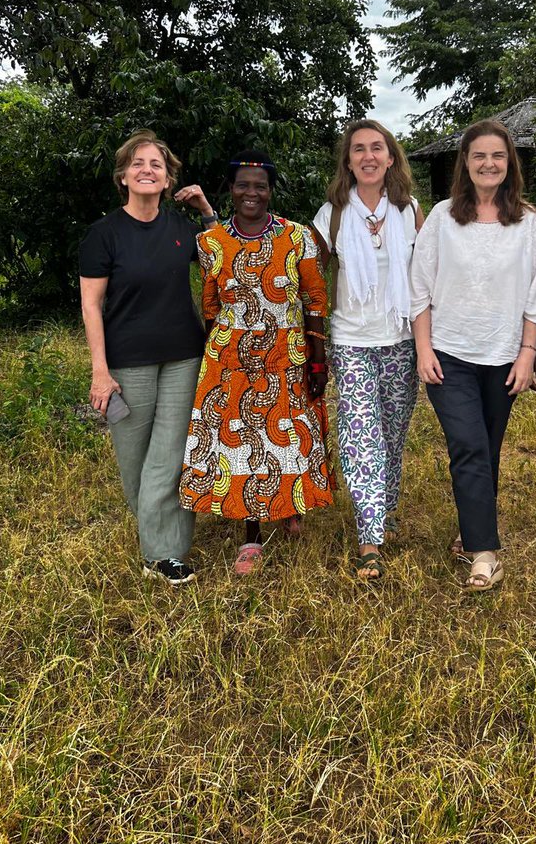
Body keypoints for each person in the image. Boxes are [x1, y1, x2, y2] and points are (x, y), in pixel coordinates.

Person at [410, 120, 536, 591]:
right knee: (468, 445)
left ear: (509, 164)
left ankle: (471, 528)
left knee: (487, 449)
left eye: (497, 156)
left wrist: (528, 354)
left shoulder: (528, 223)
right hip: (449, 354)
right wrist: (423, 349)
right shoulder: (443, 218)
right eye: (479, 156)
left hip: (505, 355)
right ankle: (485, 553)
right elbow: (420, 289)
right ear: (465, 165)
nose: (488, 164)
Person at [178, 150, 333, 575]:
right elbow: (210, 304)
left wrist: (318, 361)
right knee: (243, 442)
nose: (251, 193)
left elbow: (315, 300)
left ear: (270, 192)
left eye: (259, 186)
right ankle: (251, 536)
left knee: (288, 435)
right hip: (230, 355)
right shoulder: (210, 242)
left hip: (287, 350)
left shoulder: (297, 236)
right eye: (243, 185)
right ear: (231, 190)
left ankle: (289, 506)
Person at [79, 129, 217, 586]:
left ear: (167, 178)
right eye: (138, 163)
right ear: (123, 177)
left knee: (169, 454)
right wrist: (100, 371)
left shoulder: (181, 229)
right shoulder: (103, 234)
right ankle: (158, 536)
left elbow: (224, 258)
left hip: (182, 356)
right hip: (127, 362)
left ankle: (164, 553)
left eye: (156, 165)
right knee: (134, 460)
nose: (147, 170)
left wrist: (206, 211)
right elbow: (91, 306)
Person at [312, 119, 423, 582]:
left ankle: (387, 509)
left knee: (393, 436)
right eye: (359, 149)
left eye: (377, 148)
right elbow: (312, 280)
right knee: (362, 438)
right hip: (351, 339)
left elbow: (427, 277)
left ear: (391, 157)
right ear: (349, 161)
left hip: (400, 339)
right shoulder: (330, 215)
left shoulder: (411, 210)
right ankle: (370, 538)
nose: (369, 156)